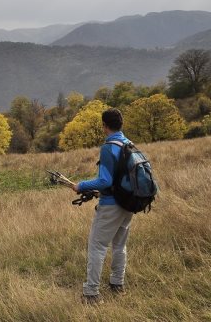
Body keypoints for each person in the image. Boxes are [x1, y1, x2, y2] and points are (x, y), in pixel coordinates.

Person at [69, 108, 133, 305]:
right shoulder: (128, 144)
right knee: (119, 245)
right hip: (129, 203)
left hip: (111, 205)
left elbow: (104, 180)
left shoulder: (108, 148)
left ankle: (91, 294)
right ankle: (117, 284)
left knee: (97, 246)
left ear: (104, 125)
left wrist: (81, 185)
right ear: (121, 124)